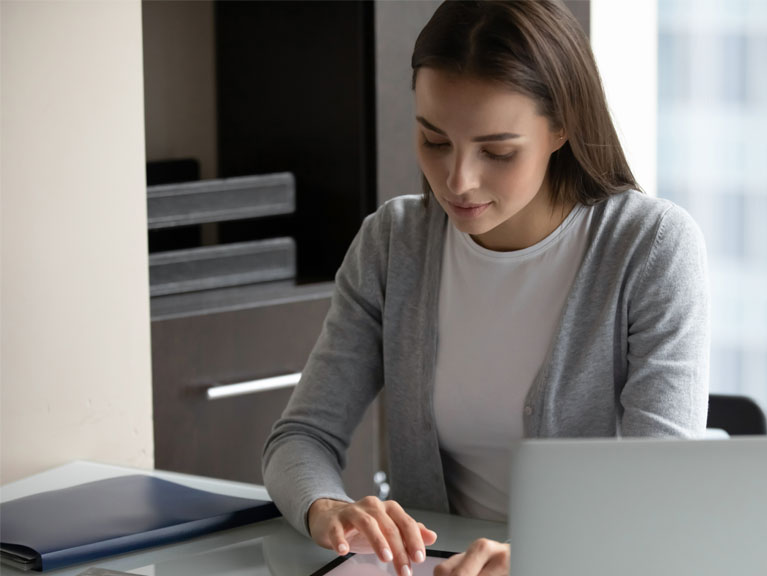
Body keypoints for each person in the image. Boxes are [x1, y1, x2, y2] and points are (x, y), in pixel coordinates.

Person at [262, 1, 709, 575]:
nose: (457, 181)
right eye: (434, 140)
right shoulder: (393, 243)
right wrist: (328, 507)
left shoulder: (650, 246)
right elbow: (301, 437)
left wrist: (541, 560)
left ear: (561, 126)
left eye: (497, 151)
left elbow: (663, 485)